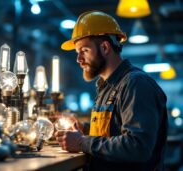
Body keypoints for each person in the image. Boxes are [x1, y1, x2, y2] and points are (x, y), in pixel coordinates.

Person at [55, 10, 168, 171]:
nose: (78, 59)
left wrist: (82, 142)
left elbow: (137, 147)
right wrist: (84, 129)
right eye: (77, 53)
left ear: (105, 47)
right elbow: (114, 129)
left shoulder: (136, 84)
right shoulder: (106, 87)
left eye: (84, 51)